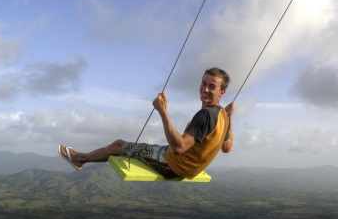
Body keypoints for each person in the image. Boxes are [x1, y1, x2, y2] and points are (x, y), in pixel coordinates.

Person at [58, 67, 235, 180]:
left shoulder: (205, 115)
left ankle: (79, 159)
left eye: (212, 86)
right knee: (150, 146)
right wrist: (230, 117)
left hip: (174, 166)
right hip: (189, 167)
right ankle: (83, 158)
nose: (205, 89)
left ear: (222, 92)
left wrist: (163, 111)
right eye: (204, 83)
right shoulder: (223, 116)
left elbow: (179, 148)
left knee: (120, 144)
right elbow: (226, 147)